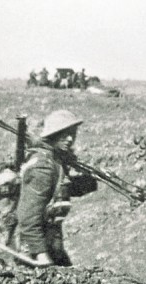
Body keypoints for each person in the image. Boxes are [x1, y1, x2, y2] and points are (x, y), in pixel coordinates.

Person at [16, 110, 98, 266]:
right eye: (64, 134)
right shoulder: (42, 167)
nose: (70, 139)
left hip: (52, 241)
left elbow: (60, 190)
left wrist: (90, 181)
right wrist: (41, 255)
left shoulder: (56, 160)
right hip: (33, 249)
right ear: (53, 135)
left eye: (72, 134)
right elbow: (28, 218)